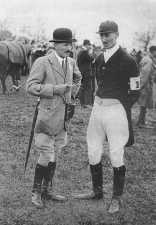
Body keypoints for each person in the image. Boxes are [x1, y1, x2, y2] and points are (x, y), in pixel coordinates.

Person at [73, 21, 140, 213]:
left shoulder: (128, 60)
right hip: (98, 109)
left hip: (116, 111)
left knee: (116, 153)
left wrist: (120, 107)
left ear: (116, 35)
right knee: (93, 150)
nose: (104, 39)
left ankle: (116, 198)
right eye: (101, 35)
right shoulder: (100, 58)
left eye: (107, 35)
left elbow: (135, 90)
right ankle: (97, 191)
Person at [26, 28, 82, 207]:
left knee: (55, 152)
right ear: (55, 45)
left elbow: (78, 78)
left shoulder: (71, 62)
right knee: (45, 153)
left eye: (70, 44)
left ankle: (47, 190)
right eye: (65, 44)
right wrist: (55, 90)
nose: (69, 47)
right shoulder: (43, 62)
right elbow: (31, 86)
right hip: (47, 116)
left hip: (63, 117)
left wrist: (73, 93)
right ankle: (36, 192)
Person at [137, 46, 156, 127]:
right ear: (153, 51)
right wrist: (140, 86)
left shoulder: (147, 58)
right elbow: (145, 75)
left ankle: (141, 121)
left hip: (145, 85)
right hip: (146, 86)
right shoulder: (148, 61)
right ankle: (141, 122)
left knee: (143, 104)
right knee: (143, 104)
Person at [77, 39, 95, 107]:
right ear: (86, 45)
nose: (89, 46)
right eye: (89, 45)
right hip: (86, 73)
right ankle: (87, 103)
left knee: (83, 88)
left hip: (82, 72)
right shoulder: (84, 52)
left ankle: (83, 103)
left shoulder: (80, 52)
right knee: (87, 88)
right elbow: (92, 59)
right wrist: (91, 51)